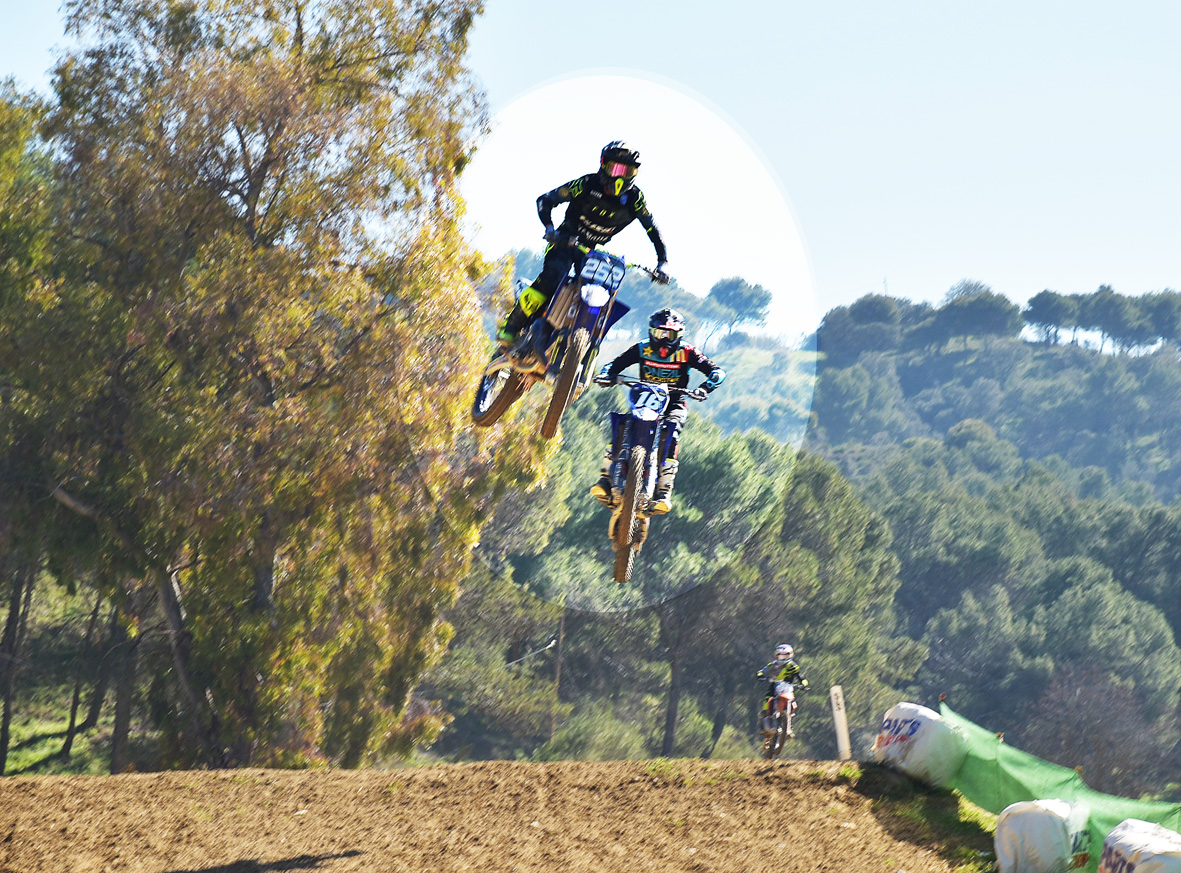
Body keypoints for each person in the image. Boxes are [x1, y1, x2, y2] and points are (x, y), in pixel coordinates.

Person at [496, 141, 670, 346]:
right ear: (603, 166)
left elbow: (653, 230)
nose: (620, 177)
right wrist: (550, 229)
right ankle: (512, 326)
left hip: (592, 252)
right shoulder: (587, 184)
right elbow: (545, 200)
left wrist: (662, 263)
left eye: (628, 171)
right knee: (553, 277)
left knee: (599, 291)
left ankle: (569, 340)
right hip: (564, 241)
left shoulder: (635, 199)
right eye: (616, 169)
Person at [590, 307, 725, 514]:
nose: (663, 340)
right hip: (644, 399)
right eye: (658, 333)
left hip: (674, 402)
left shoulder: (688, 352)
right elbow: (613, 365)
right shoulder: (641, 348)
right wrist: (608, 376)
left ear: (678, 335)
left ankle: (663, 491)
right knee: (623, 425)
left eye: (669, 334)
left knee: (672, 435)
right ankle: (605, 478)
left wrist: (704, 388)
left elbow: (717, 371)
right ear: (650, 332)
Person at [756, 643, 809, 738]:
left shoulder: (793, 666)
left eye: (785, 655)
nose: (783, 658)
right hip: (774, 686)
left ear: (790, 655)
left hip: (787, 688)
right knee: (767, 701)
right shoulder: (773, 665)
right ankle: (763, 724)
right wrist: (761, 676)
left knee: (794, 705)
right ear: (777, 655)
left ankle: (788, 727)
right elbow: (761, 671)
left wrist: (804, 684)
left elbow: (801, 676)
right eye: (780, 655)